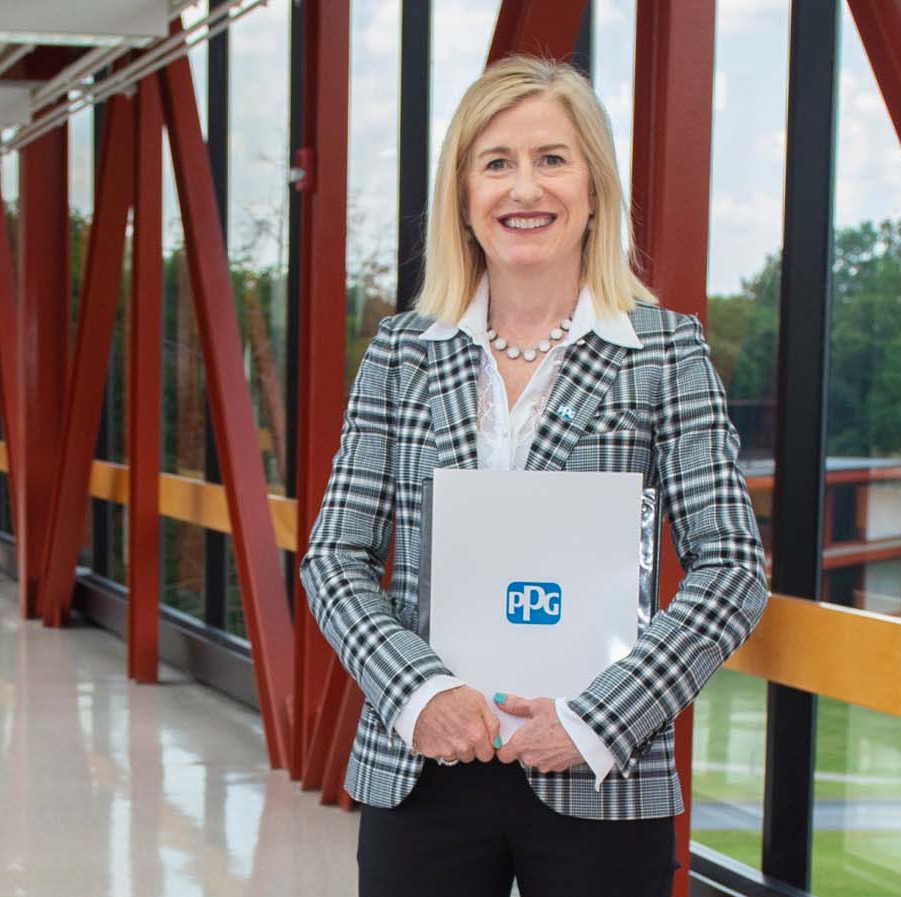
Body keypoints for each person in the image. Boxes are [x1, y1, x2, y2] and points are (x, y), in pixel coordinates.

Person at [300, 56, 769, 897]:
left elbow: (732, 567)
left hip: (602, 771)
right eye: (497, 163)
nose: (526, 188)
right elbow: (334, 558)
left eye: (552, 158)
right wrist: (422, 693)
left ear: (594, 188)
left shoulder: (667, 353)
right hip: (424, 761)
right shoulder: (400, 353)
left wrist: (597, 718)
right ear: (464, 196)